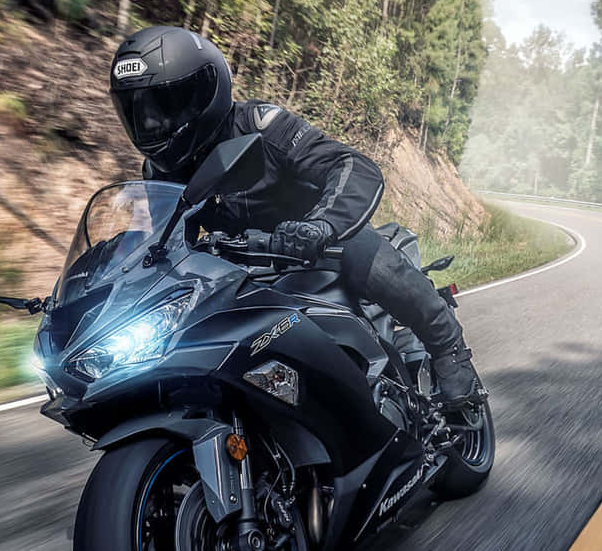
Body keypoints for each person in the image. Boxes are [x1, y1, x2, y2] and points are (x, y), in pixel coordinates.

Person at [107, 25, 484, 410]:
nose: (151, 123)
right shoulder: (159, 172)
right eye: (138, 111)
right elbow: (161, 242)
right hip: (243, 275)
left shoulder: (261, 126)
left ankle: (448, 347)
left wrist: (321, 225)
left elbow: (351, 165)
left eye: (163, 106)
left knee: (357, 248)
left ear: (204, 93)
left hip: (319, 248)